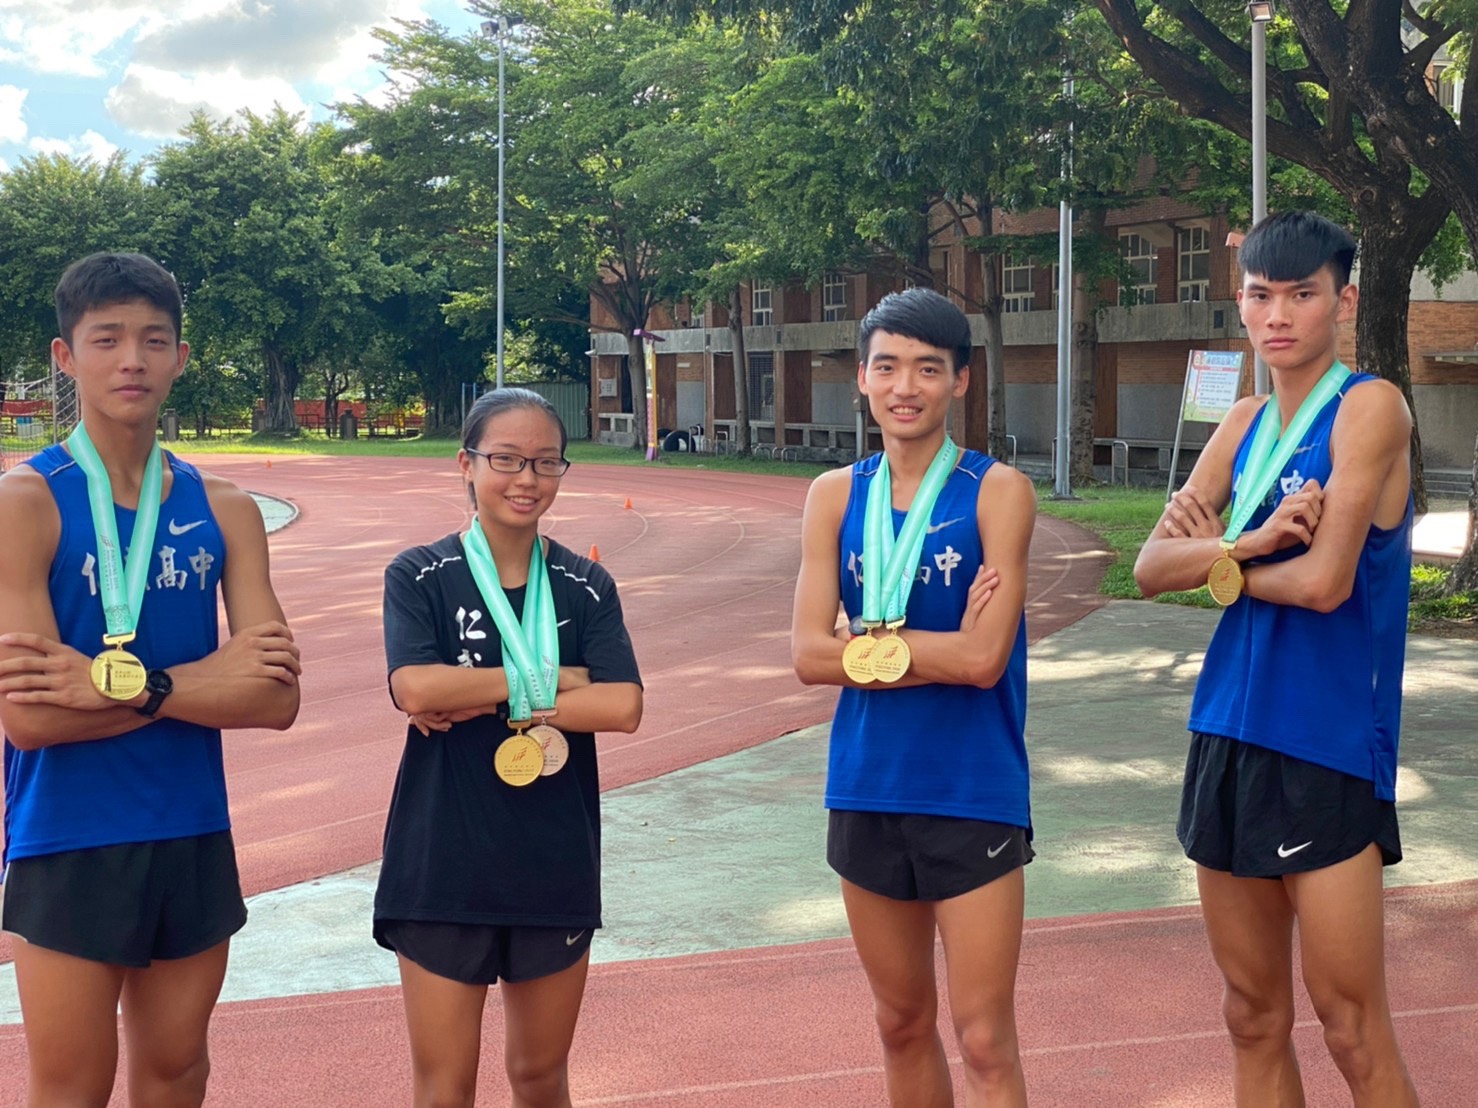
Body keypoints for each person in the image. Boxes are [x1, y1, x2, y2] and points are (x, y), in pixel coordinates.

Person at [0, 252, 302, 1106]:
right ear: (66, 357)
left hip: (191, 825)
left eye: (153, 340)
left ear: (181, 357)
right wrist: (203, 685)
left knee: (177, 1072)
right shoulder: (24, 502)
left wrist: (138, 687)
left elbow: (276, 698)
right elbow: (30, 719)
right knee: (71, 1087)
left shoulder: (226, 509)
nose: (131, 359)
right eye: (107, 339)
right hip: (66, 833)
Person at [1135, 211, 1419, 1107]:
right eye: (1262, 296)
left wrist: (1218, 565)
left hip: (1325, 743)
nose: (1280, 315)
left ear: (1346, 301)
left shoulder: (1370, 406)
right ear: (1241, 303)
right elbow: (1148, 569)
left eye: (1303, 294)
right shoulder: (1244, 422)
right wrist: (1252, 545)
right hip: (1225, 730)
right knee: (1251, 1015)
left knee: (1350, 1024)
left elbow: (1327, 582)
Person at [791, 288, 1036, 1106]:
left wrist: (860, 643)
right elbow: (807, 655)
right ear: (862, 377)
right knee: (899, 1022)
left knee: (985, 1038)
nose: (906, 387)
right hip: (866, 784)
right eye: (888, 367)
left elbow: (984, 660)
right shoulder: (834, 495)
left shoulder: (997, 491)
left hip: (972, 788)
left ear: (960, 380)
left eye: (928, 369)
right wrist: (940, 648)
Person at [374, 387, 643, 1108]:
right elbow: (416, 688)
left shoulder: (585, 586)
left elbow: (622, 706)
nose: (527, 478)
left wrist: (479, 693)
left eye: (546, 462)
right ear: (466, 464)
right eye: (507, 460)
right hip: (441, 864)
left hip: (551, 861)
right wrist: (557, 680)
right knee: (444, 1088)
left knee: (540, 1078)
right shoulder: (419, 575)